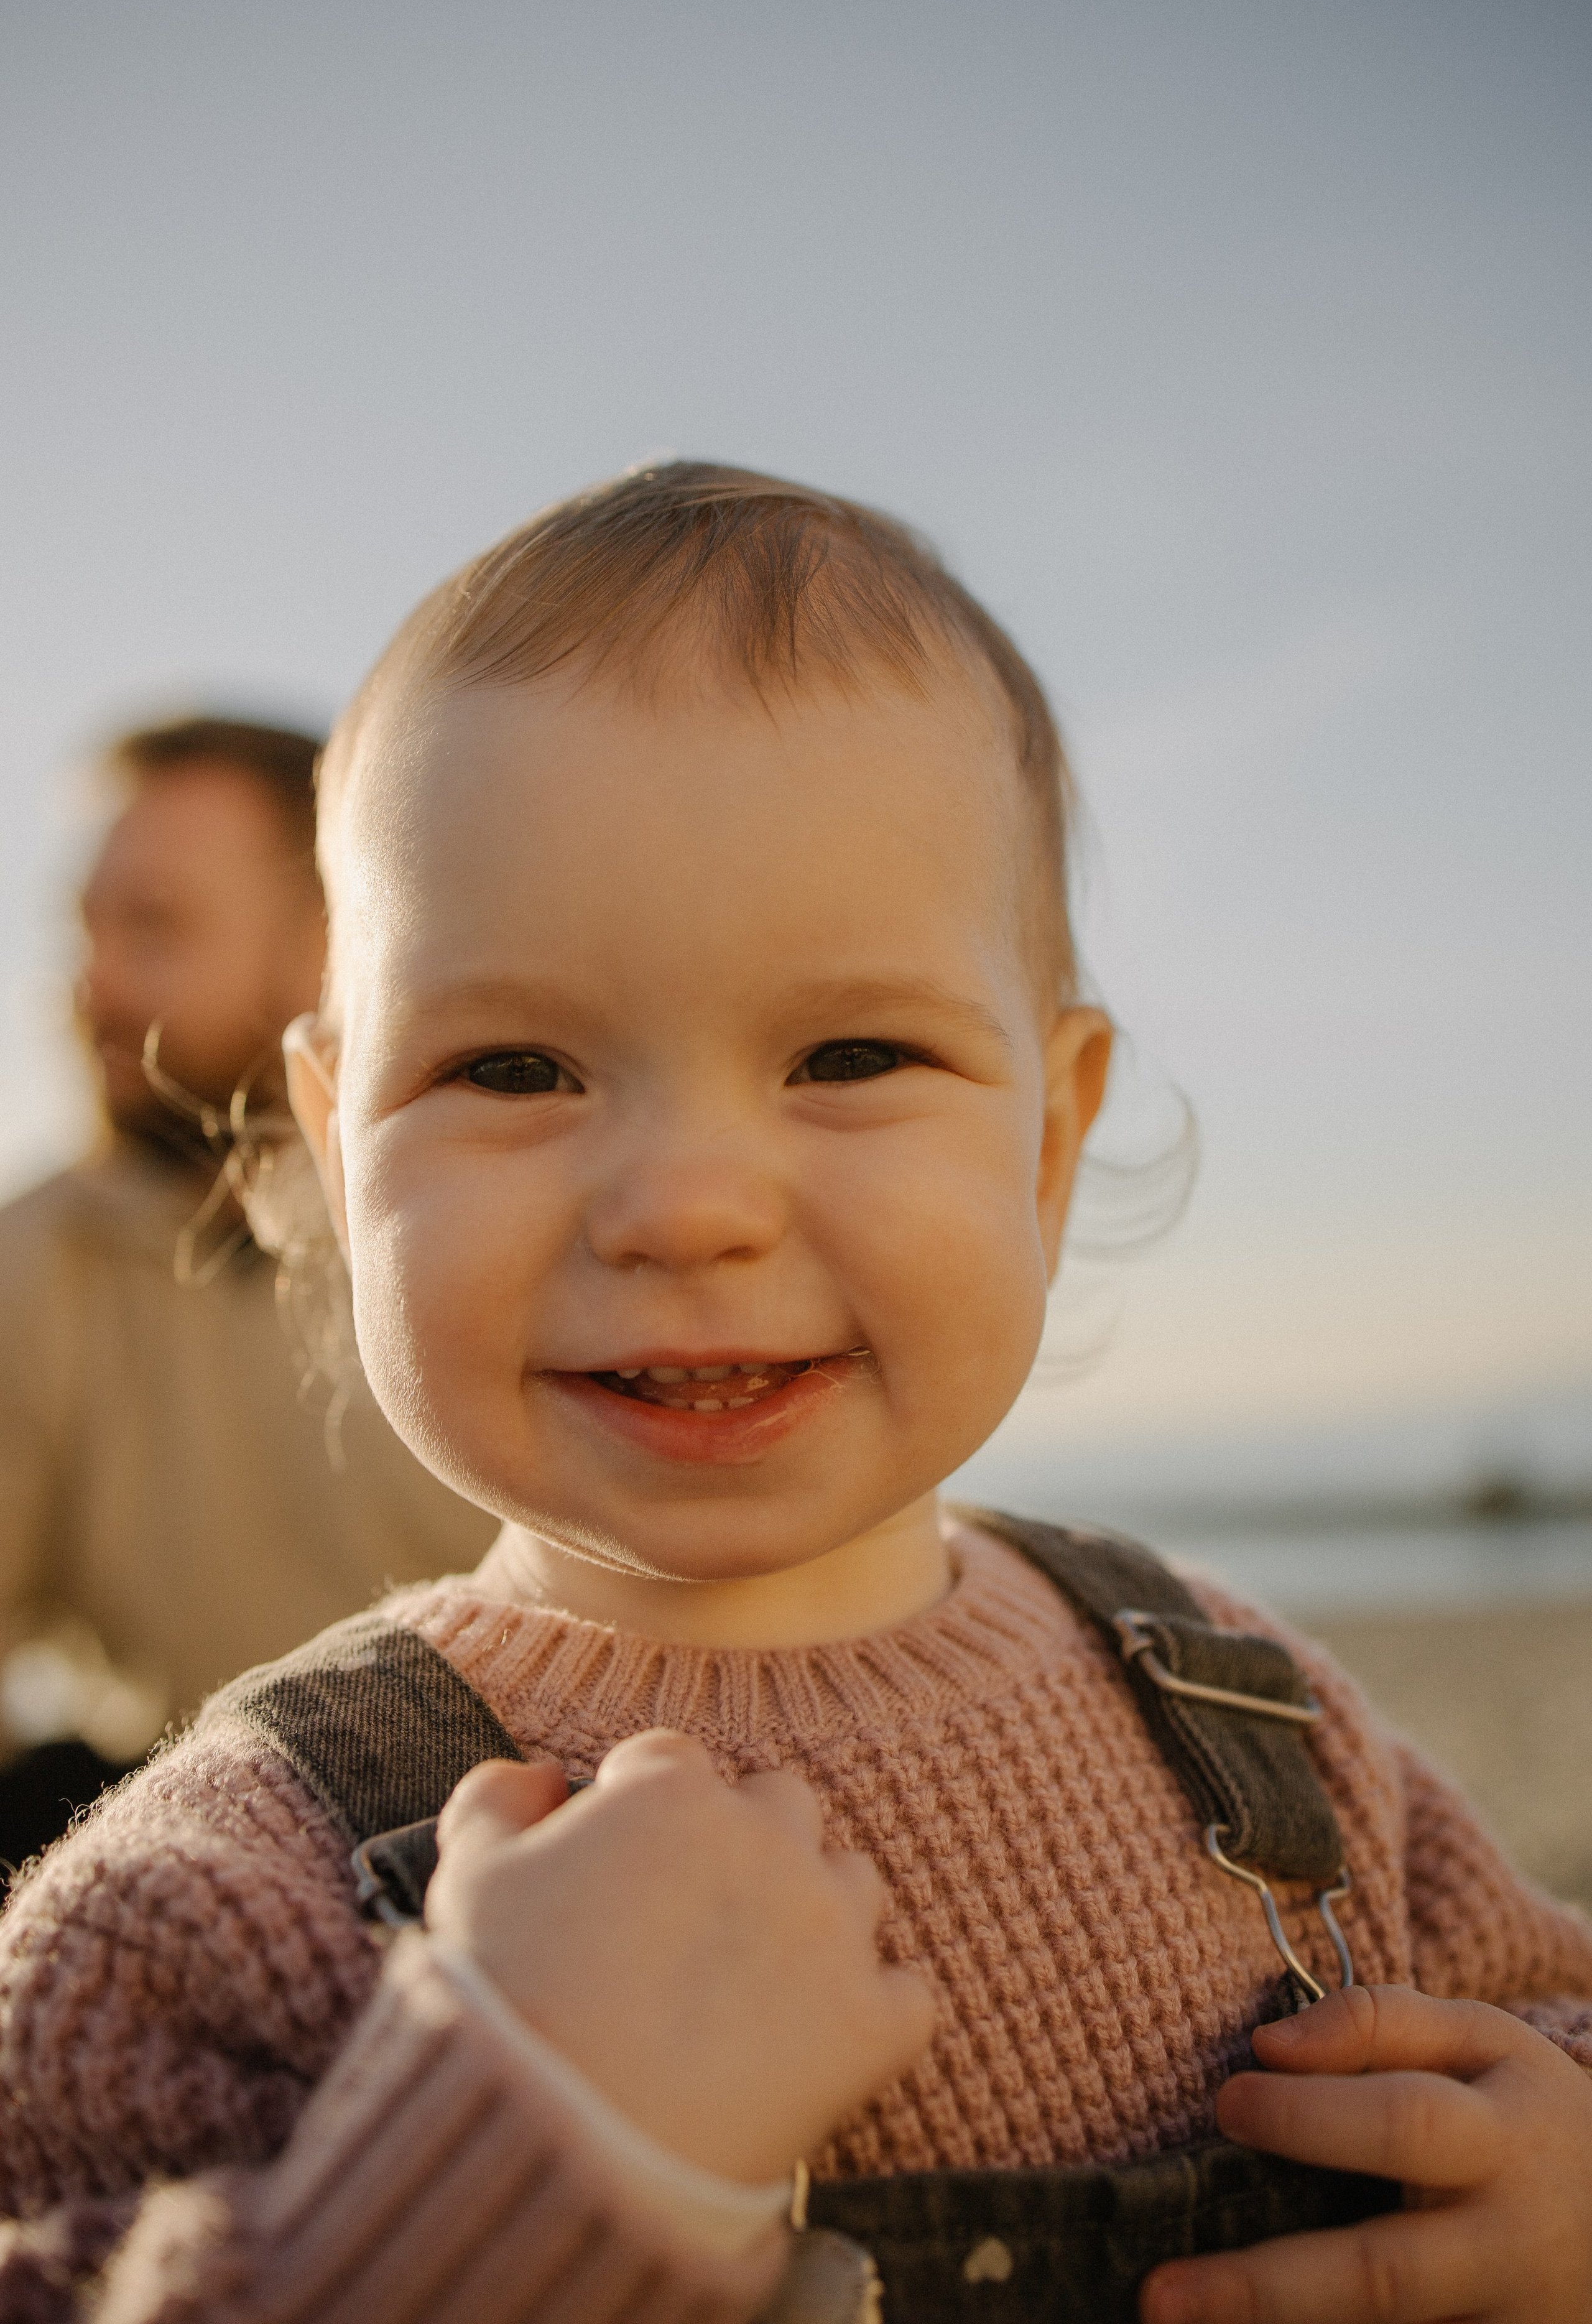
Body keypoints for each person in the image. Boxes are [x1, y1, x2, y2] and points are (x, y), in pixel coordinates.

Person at [1, 468, 1589, 2324]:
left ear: (1052, 1142)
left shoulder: (1253, 1717)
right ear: (340, 1158)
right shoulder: (226, 1888)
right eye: (514, 1065)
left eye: (848, 1053)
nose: (687, 1205)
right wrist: (495, 2168)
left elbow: (1536, 2016)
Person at [0, 717, 494, 1857]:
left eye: (154, 928)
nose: (95, 987)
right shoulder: (34, 1261)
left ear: (330, 942)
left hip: (558, 1854)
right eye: (85, 932)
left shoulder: (501, 1211)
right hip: (179, 1866)